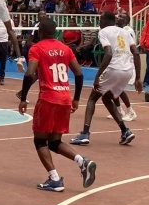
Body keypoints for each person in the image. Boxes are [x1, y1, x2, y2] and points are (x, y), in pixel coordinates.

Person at [17, 17, 96, 192]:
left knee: (39, 141)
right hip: (65, 99)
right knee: (54, 142)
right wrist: (76, 99)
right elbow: (79, 73)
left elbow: (30, 73)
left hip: (48, 99)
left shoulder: (36, 49)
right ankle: (82, 162)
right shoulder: (65, 48)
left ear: (40, 32)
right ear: (55, 32)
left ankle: (54, 179)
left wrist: (23, 97)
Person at [70, 12, 142, 146]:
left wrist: (97, 76)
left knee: (92, 98)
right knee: (107, 97)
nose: (99, 23)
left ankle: (85, 133)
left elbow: (108, 53)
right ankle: (125, 131)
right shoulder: (125, 32)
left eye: (100, 20)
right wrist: (138, 78)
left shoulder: (103, 32)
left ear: (104, 21)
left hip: (114, 68)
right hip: (127, 71)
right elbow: (136, 53)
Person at [110, 10, 138, 122]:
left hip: (126, 62)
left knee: (118, 88)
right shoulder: (118, 30)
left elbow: (128, 47)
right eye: (118, 16)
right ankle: (119, 110)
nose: (118, 17)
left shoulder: (127, 30)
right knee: (113, 88)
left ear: (126, 21)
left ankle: (130, 111)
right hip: (117, 61)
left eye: (121, 17)